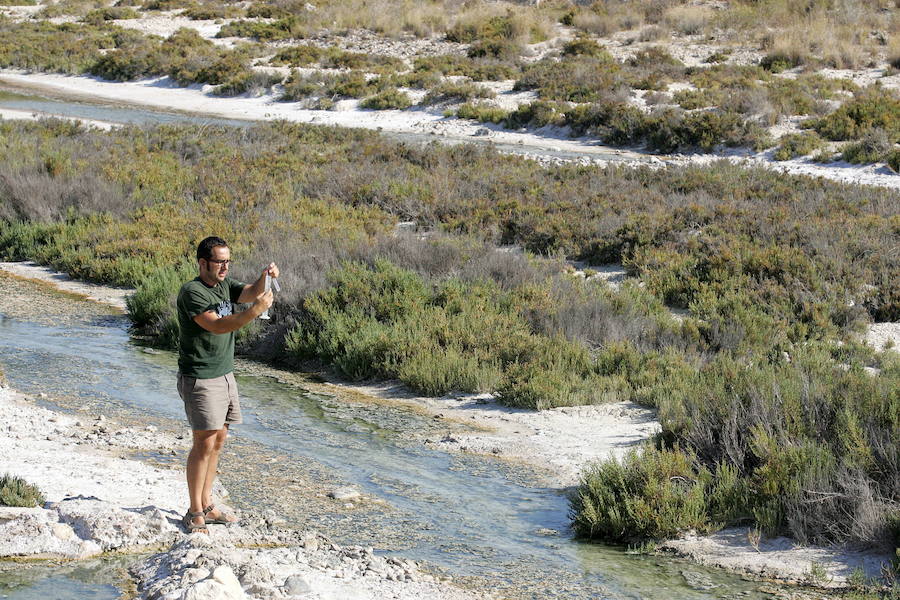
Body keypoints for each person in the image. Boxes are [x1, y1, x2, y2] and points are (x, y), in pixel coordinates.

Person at [176, 236, 277, 533]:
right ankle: (194, 510)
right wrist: (255, 312)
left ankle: (208, 504)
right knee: (203, 442)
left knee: (219, 439)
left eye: (227, 261)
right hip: (201, 377)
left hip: (224, 374)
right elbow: (219, 325)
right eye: (219, 262)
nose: (224, 267)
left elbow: (248, 292)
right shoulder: (192, 292)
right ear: (203, 263)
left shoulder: (223, 284)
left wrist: (264, 277)